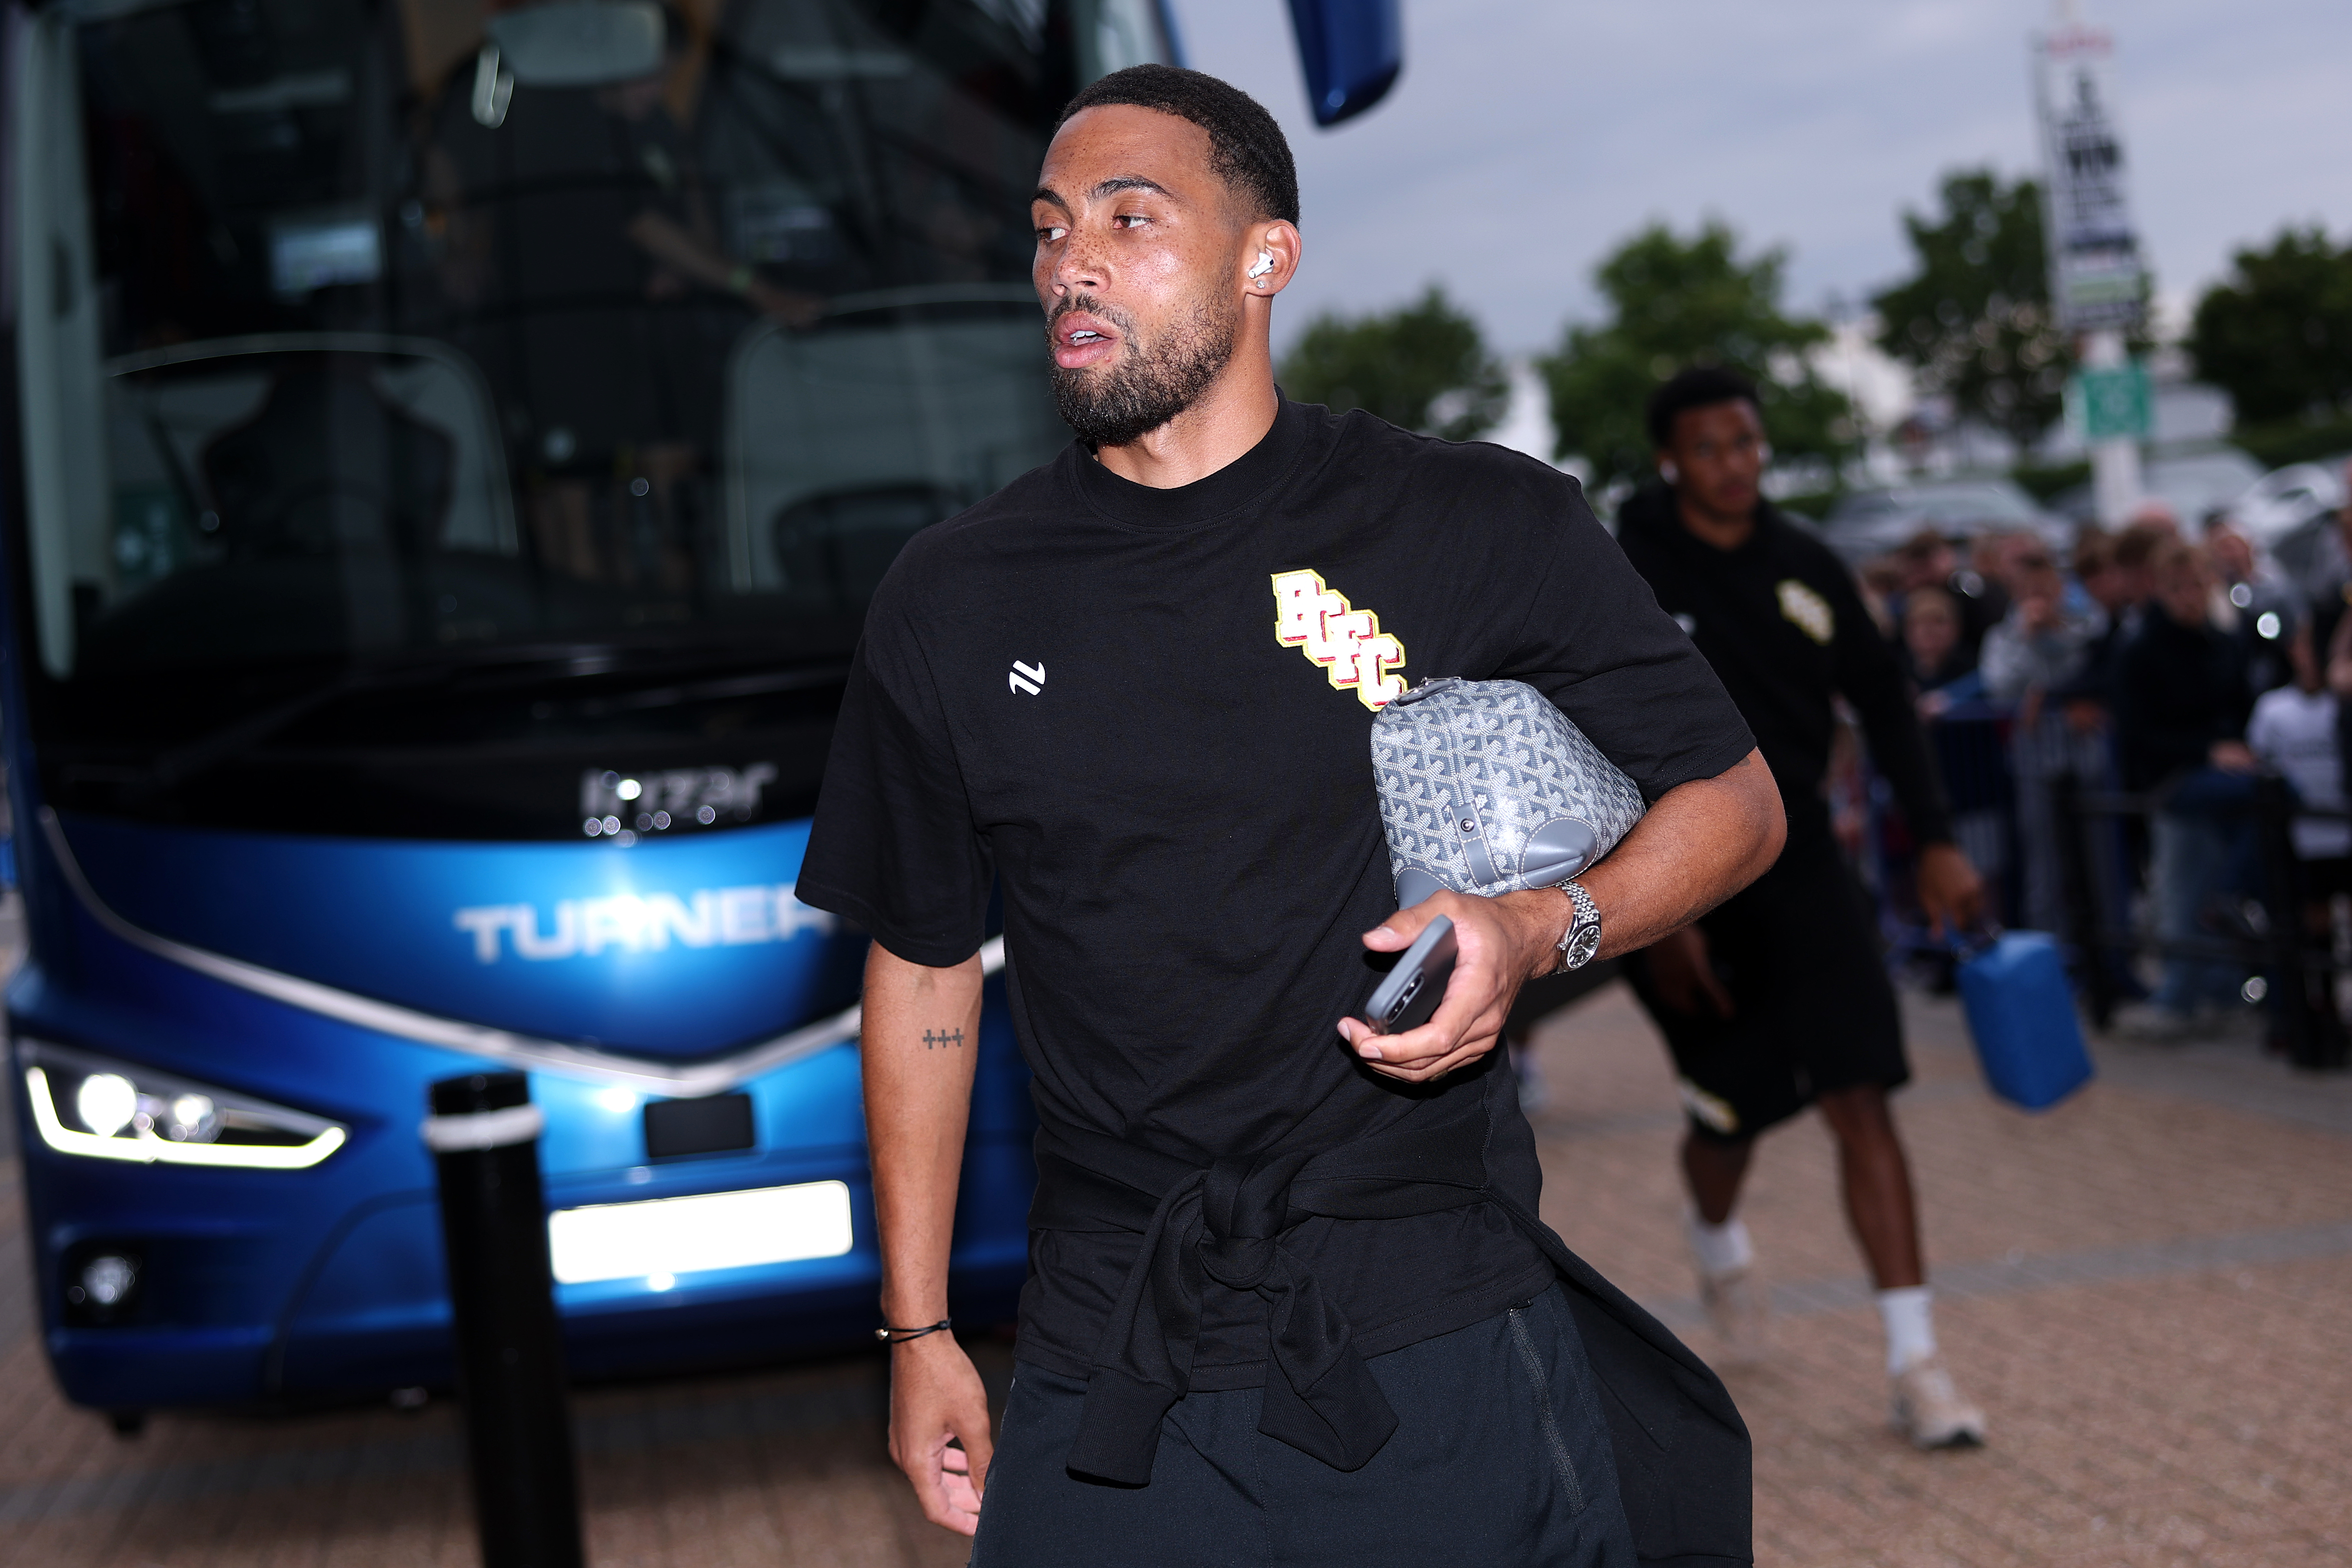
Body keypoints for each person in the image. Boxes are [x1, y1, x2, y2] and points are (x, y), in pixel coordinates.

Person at [796, 67, 1784, 1565]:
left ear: (1270, 255)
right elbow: (925, 969)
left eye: (1134, 218)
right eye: (1053, 226)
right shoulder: (951, 596)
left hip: (1424, 1308)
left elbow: (1739, 799)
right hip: (1107, 1330)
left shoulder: (1467, 520)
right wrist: (919, 1320)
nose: (1073, 261)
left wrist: (1540, 925)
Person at [1610, 366, 1990, 1450]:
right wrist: (1653, 902)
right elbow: (1578, 730)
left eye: (1748, 442)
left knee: (1858, 1095)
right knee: (1728, 1118)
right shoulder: (1626, 570)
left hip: (1805, 870)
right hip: (1675, 879)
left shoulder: (1807, 567)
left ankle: (1917, 1363)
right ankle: (1714, 1230)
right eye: (1712, 448)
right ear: (1671, 460)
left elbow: (1883, 702)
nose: (1737, 464)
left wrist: (1939, 845)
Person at [2114, 541, 2258, 1037]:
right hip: (2174, 779)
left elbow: (2239, 707)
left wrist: (2234, 748)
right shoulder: (2144, 650)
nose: (2190, 597)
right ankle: (2182, 993)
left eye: (2198, 585)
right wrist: (2207, 751)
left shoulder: (2221, 642)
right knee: (2182, 885)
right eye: (2179, 588)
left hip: (2218, 776)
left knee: (2203, 877)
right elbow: (2140, 733)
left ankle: (2216, 983)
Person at [1981, 549, 2110, 937]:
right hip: (2035, 766)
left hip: (2088, 761)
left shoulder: (2085, 627)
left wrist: (2051, 691)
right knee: (2045, 867)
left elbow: (2094, 673)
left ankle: (2110, 957)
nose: (2038, 598)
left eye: (2045, 588)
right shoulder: (2004, 637)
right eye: (2028, 590)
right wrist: (2026, 639)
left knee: (2100, 864)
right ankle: (2052, 955)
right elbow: (2000, 688)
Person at [2247, 614, 2350, 1052]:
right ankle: (2312, 1014)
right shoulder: (2274, 708)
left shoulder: (2341, 705)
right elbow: (2259, 763)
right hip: (2302, 839)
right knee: (2309, 925)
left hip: (2342, 834)